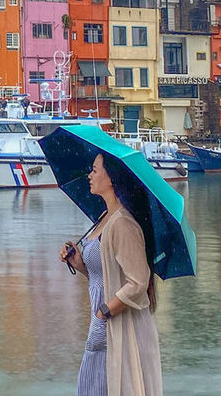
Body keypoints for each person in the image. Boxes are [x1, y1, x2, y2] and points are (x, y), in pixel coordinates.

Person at [60, 153, 162, 396]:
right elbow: (105, 277)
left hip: (115, 323)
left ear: (112, 178)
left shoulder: (123, 224)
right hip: (102, 321)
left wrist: (103, 312)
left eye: (95, 170)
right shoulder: (104, 218)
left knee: (106, 386)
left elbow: (138, 281)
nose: (89, 175)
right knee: (93, 386)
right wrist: (79, 263)